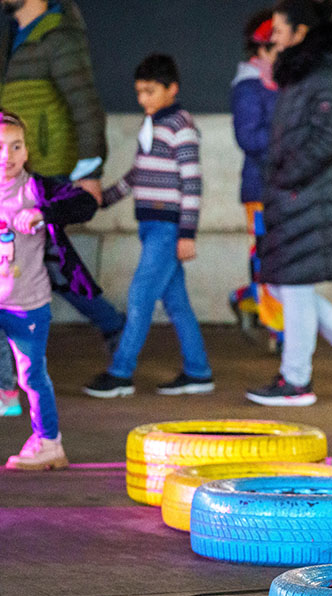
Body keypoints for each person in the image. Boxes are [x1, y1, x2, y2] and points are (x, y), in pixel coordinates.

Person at [246, 0, 332, 407]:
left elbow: (329, 138)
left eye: (279, 29)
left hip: (308, 194)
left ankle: (296, 379)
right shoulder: (305, 73)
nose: (273, 37)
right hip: (296, 195)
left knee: (292, 283)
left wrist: (285, 176)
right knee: (284, 282)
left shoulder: (326, 75)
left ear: (301, 31)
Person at [82, 54, 213, 398]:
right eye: (139, 92)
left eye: (150, 91)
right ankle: (198, 371)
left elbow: (192, 182)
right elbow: (138, 174)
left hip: (167, 229)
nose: (142, 99)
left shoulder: (181, 127)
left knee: (140, 296)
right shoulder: (152, 123)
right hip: (151, 225)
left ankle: (121, 372)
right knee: (177, 304)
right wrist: (102, 199)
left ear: (172, 89)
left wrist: (187, 233)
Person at [0, 0, 125, 347]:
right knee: (42, 261)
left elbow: (86, 106)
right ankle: (114, 326)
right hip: (15, 170)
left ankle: (114, 326)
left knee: (45, 261)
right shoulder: (12, 36)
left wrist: (90, 171)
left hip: (46, 171)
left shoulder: (57, 36)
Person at [0, 112, 97, 470]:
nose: (7, 156)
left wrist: (43, 212)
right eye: (0, 147)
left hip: (26, 304)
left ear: (27, 152)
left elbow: (85, 203)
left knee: (32, 376)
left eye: (16, 146)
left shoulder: (36, 189)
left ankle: (49, 444)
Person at [229, 8, 284, 351]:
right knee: (268, 261)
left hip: (285, 188)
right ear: (262, 48)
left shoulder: (282, 81)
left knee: (280, 262)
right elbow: (248, 138)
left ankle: (244, 298)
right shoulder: (248, 86)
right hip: (260, 191)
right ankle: (280, 335)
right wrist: (289, 136)